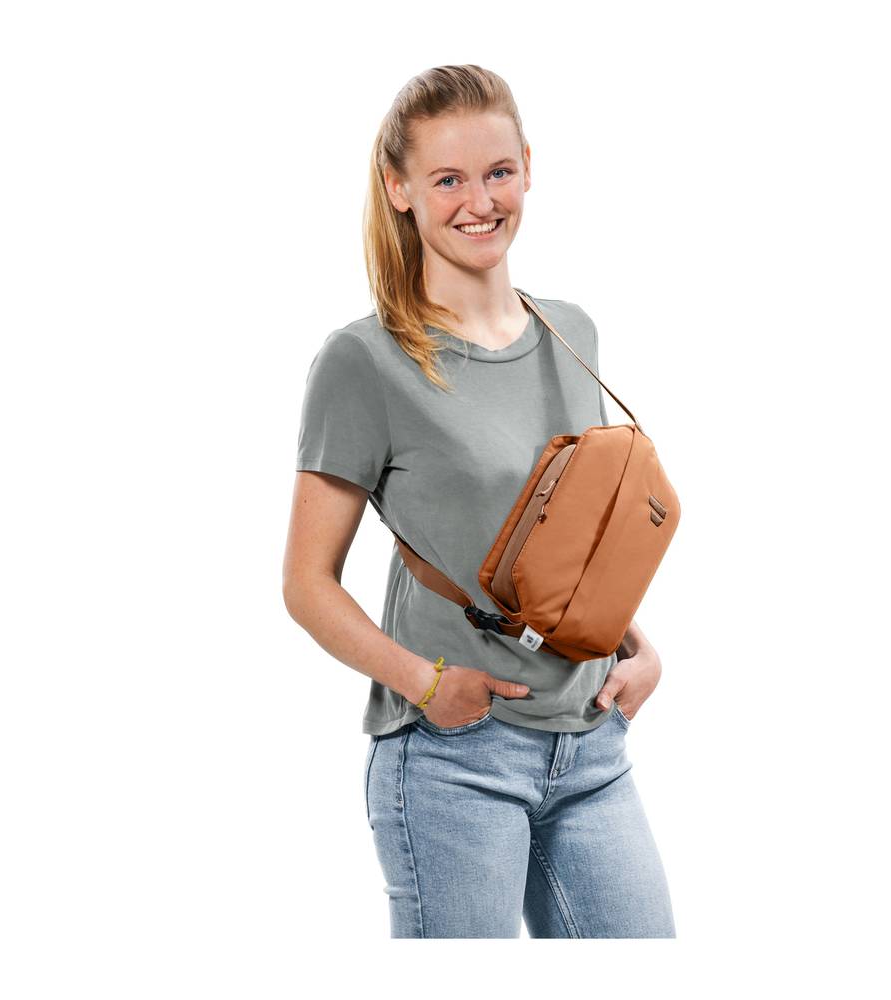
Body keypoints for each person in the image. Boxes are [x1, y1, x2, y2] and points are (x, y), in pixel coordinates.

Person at [282, 64, 676, 938]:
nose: (480, 201)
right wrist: (426, 685)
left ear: (529, 166)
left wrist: (638, 648)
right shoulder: (364, 362)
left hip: (592, 747)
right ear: (400, 190)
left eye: (498, 171)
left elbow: (573, 548)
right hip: (455, 759)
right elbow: (307, 584)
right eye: (448, 180)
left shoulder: (572, 331)